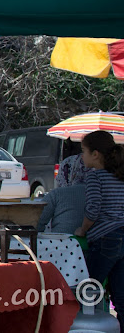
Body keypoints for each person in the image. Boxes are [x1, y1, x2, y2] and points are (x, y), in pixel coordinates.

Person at [74, 131, 124, 329]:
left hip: (105, 239)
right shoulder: (120, 177)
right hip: (122, 235)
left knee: (87, 289)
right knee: (120, 295)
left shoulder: (96, 178)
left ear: (95, 154)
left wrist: (83, 229)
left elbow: (93, 209)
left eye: (83, 151)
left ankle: (83, 327)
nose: (81, 156)